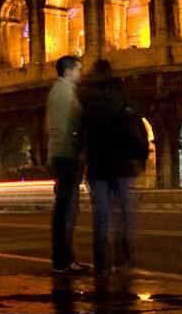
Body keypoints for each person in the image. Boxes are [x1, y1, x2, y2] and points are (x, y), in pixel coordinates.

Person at [78, 59, 147, 272]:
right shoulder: (122, 95)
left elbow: (80, 135)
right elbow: (135, 128)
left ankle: (101, 263)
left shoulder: (84, 99)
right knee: (125, 215)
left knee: (102, 216)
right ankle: (124, 259)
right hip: (122, 164)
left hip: (98, 166)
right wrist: (139, 156)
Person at [45, 55, 87, 273]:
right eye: (79, 69)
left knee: (65, 209)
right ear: (69, 71)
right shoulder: (65, 93)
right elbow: (67, 127)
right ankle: (63, 261)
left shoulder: (58, 91)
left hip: (62, 155)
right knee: (66, 210)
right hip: (67, 156)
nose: (81, 73)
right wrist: (76, 149)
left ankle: (63, 259)